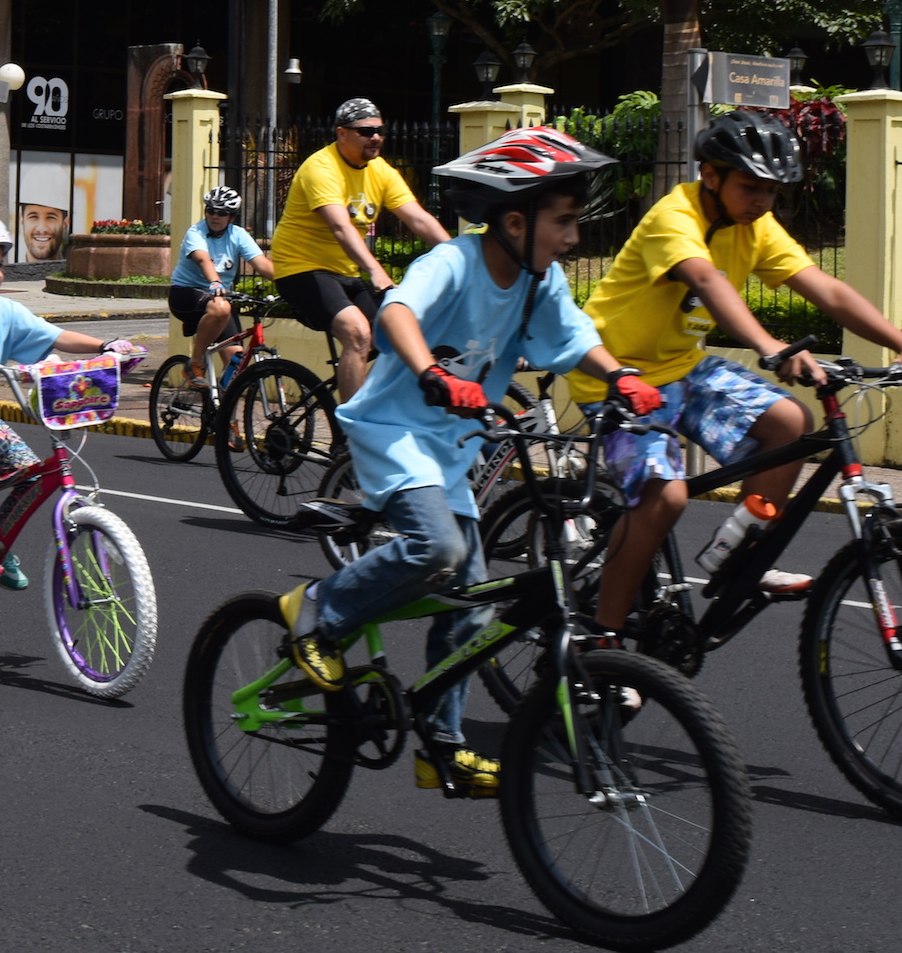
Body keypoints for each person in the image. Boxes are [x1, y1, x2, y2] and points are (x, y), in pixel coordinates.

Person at [276, 128, 660, 798]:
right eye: (564, 221)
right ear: (516, 222)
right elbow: (398, 311)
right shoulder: (454, 263)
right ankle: (318, 609)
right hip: (396, 431)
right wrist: (430, 371)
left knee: (473, 603)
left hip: (451, 450)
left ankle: (443, 743)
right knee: (439, 547)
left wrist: (621, 376)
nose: (573, 238)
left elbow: (575, 339)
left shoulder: (539, 281)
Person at [572, 111, 902, 628]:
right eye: (751, 187)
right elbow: (706, 281)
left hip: (683, 367)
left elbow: (828, 290)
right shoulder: (673, 216)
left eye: (772, 190)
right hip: (616, 376)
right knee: (664, 499)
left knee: (789, 423)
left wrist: (899, 342)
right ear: (710, 175)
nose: (763, 201)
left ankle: (741, 554)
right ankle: (603, 639)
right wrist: (771, 346)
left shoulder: (756, 226)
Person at [0, 211, 142, 584]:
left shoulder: (6, 312)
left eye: (0, 265)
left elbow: (54, 336)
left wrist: (105, 345)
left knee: (33, 473)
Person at [269, 97, 450, 400]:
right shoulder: (321, 168)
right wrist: (376, 271)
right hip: (300, 270)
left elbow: (418, 219)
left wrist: (459, 256)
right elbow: (341, 227)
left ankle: (367, 396)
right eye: (366, 131)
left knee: (399, 331)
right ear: (342, 133)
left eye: (379, 130)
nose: (375, 137)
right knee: (358, 332)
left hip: (345, 273)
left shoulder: (381, 171)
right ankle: (351, 427)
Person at [170, 184, 274, 391]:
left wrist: (290, 282)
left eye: (222, 213)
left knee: (237, 365)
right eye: (211, 210)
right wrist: (215, 282)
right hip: (185, 294)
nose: (215, 216)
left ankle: (224, 409)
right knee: (221, 308)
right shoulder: (196, 232)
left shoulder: (238, 235)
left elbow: (262, 264)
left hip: (219, 298)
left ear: (232, 217)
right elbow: (203, 259)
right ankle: (195, 364)